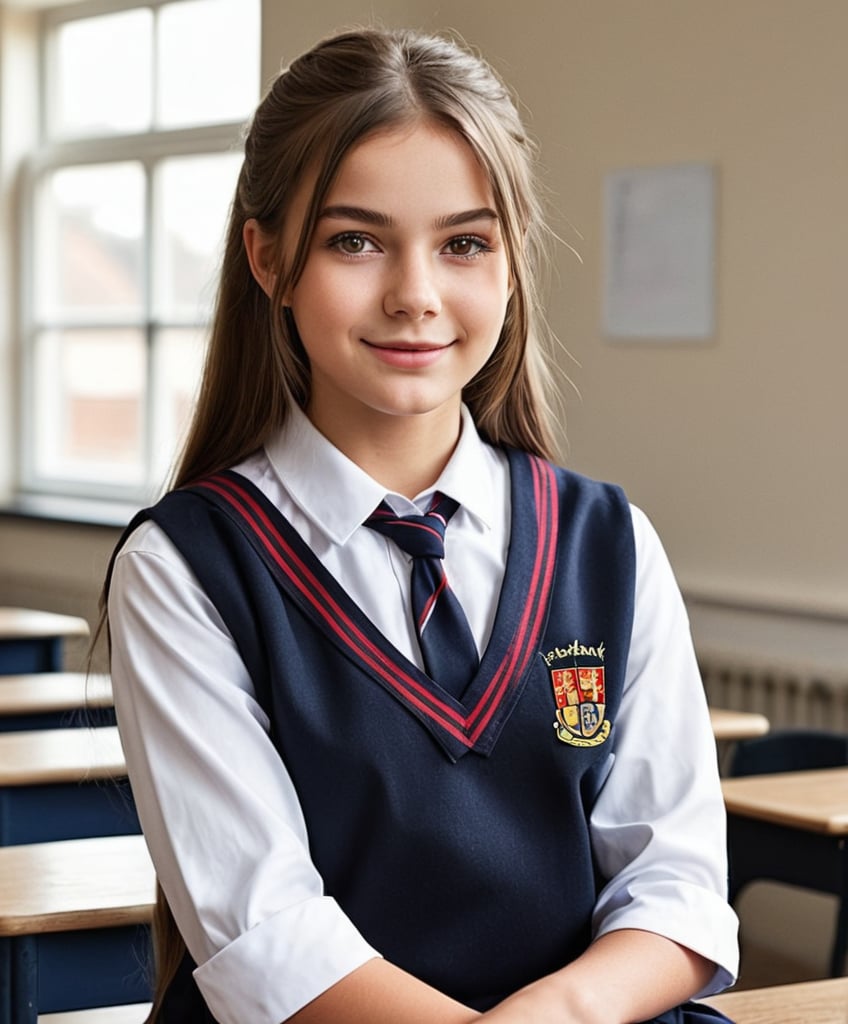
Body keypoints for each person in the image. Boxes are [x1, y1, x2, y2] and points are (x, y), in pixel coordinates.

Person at [105, 26, 739, 1024]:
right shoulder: (185, 565)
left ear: (509, 260)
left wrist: (554, 1015)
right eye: (354, 241)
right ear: (267, 258)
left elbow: (676, 889)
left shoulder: (607, 543)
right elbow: (266, 938)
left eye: (463, 244)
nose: (415, 294)